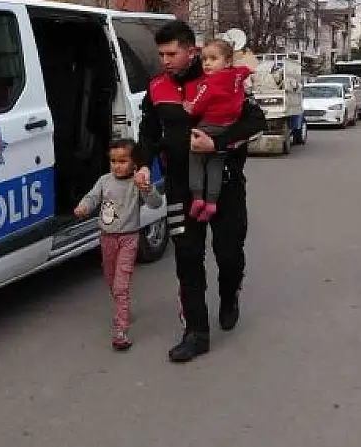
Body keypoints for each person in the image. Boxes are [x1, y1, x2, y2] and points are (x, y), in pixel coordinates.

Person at [132, 20, 266, 363]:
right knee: (188, 259)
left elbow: (255, 121)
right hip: (181, 188)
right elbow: (147, 132)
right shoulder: (157, 87)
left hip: (226, 186)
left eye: (172, 53)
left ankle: (229, 293)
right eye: (160, 54)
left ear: (191, 51)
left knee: (228, 254)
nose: (165, 60)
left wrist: (217, 142)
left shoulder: (218, 79)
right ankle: (196, 333)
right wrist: (144, 164)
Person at [75, 138, 164, 351]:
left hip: (129, 238)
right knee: (110, 279)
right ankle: (123, 308)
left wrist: (147, 188)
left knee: (120, 284)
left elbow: (156, 203)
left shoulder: (137, 182)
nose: (117, 165)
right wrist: (84, 207)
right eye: (113, 161)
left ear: (134, 163)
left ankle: (121, 329)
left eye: (122, 161)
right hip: (107, 238)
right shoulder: (104, 181)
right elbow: (92, 197)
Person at [183, 39, 256, 222]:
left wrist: (188, 107)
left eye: (213, 58)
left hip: (208, 125)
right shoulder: (238, 74)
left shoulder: (209, 83)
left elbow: (197, 107)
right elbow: (248, 68)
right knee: (216, 163)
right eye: (204, 59)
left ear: (227, 61)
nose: (207, 63)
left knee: (196, 158)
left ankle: (198, 198)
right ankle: (212, 203)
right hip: (226, 128)